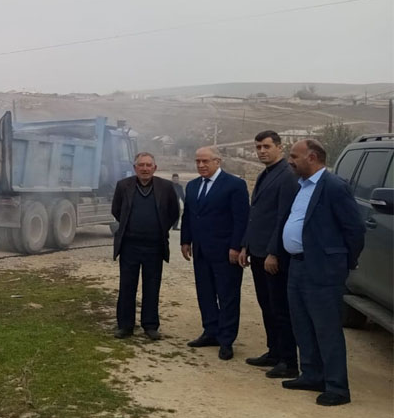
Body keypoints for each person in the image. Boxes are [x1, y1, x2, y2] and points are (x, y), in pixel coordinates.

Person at [280, 139, 364, 406]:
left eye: (294, 156)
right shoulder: (301, 186)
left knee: (327, 329)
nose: (290, 160)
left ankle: (337, 387)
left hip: (323, 270)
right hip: (298, 265)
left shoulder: (334, 187)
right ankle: (312, 374)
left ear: (312, 157)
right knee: (302, 324)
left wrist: (342, 262)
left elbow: (355, 230)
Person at [237, 131, 300, 378]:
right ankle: (273, 351)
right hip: (258, 251)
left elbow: (283, 218)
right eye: (258, 147)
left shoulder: (287, 176)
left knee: (279, 308)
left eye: (266, 146)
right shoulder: (266, 174)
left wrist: (274, 252)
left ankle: (288, 360)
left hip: (273, 256)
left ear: (279, 147)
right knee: (266, 306)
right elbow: (256, 215)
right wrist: (245, 246)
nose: (262, 151)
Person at [181, 146, 249, 360]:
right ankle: (210, 331)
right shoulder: (192, 187)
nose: (201, 165)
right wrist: (185, 240)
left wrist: (236, 246)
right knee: (206, 293)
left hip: (225, 251)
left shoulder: (235, 185)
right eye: (198, 161)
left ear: (217, 161)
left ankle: (226, 339)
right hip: (201, 250)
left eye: (205, 161)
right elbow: (189, 216)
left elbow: (241, 218)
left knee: (227, 295)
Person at [111, 153, 180, 340]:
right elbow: (116, 210)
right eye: (141, 165)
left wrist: (159, 228)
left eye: (149, 165)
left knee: (152, 286)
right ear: (135, 168)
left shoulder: (165, 187)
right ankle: (125, 326)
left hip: (154, 246)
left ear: (155, 168)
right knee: (127, 286)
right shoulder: (123, 185)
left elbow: (174, 212)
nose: (145, 168)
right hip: (129, 246)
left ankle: (150, 325)